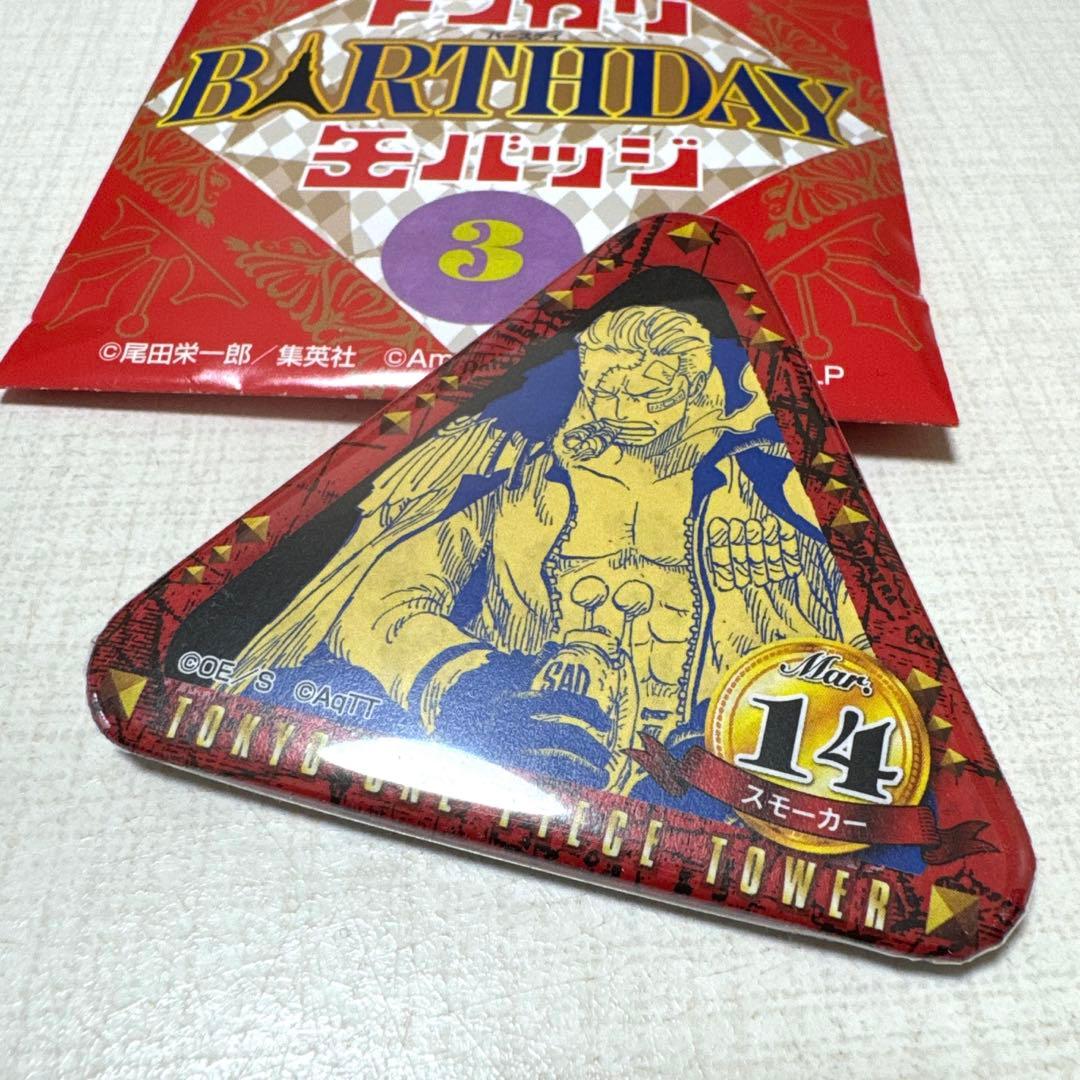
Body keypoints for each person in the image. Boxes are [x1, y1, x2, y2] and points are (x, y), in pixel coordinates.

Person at [229, 303, 865, 801]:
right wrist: (472, 684)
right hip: (515, 750)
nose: (625, 411)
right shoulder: (511, 469)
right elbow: (377, 600)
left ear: (697, 385)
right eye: (609, 392)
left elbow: (856, 642)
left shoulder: (769, 484)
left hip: (716, 778)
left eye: (653, 396)